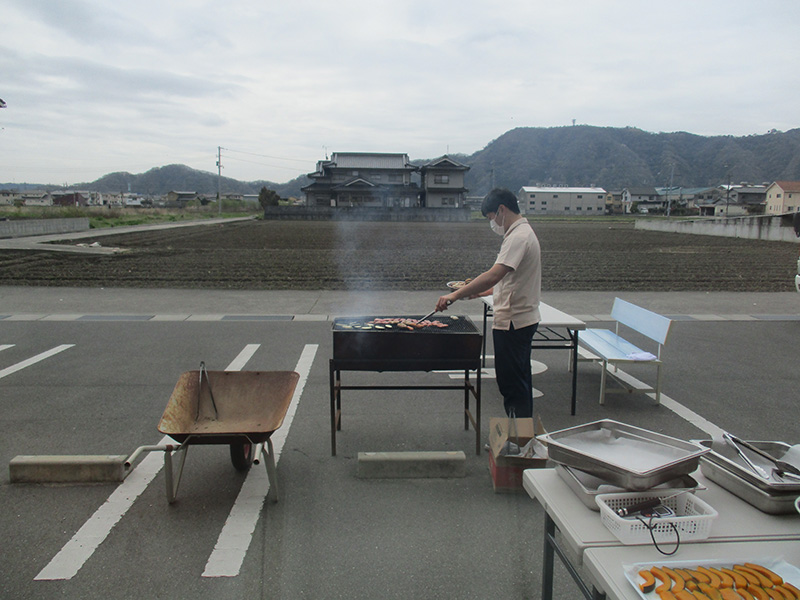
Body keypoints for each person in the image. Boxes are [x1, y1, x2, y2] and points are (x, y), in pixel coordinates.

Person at [435, 188, 541, 418]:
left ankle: (518, 441)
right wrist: (483, 292)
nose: (492, 223)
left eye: (491, 217)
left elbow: (495, 274)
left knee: (512, 384)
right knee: (518, 380)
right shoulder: (520, 233)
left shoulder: (518, 237)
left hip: (514, 322)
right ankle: (521, 437)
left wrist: (455, 295)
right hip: (519, 318)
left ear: (501, 210)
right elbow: (511, 279)